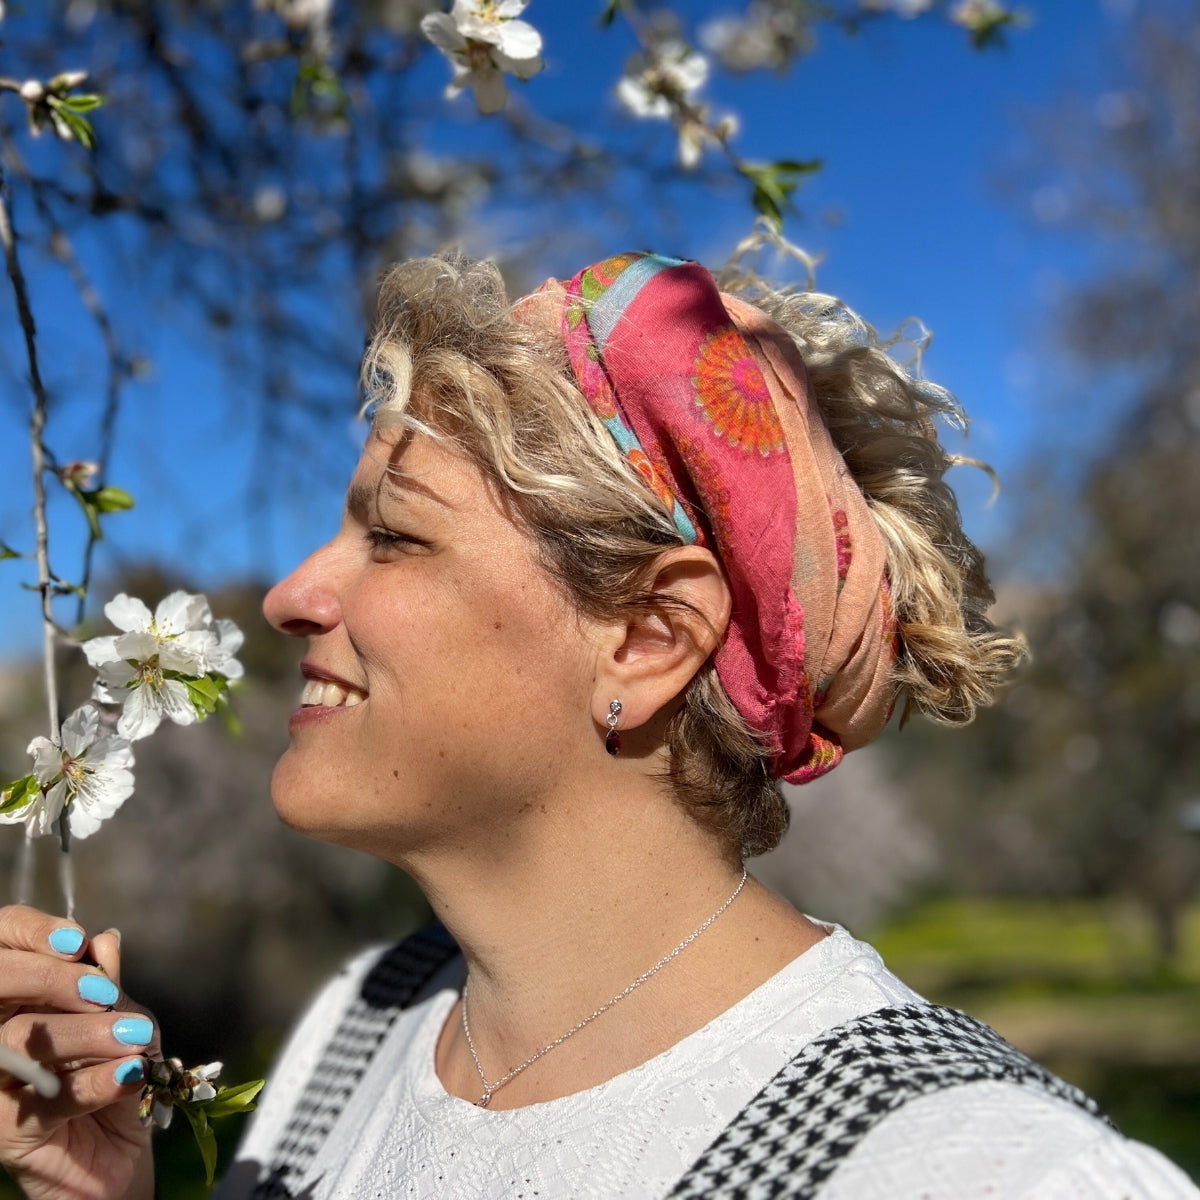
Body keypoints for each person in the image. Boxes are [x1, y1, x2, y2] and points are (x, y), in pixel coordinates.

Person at [1, 243, 1196, 1200]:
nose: (289, 593)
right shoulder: (360, 1029)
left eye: (396, 534)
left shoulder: (978, 1173)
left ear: (647, 639)